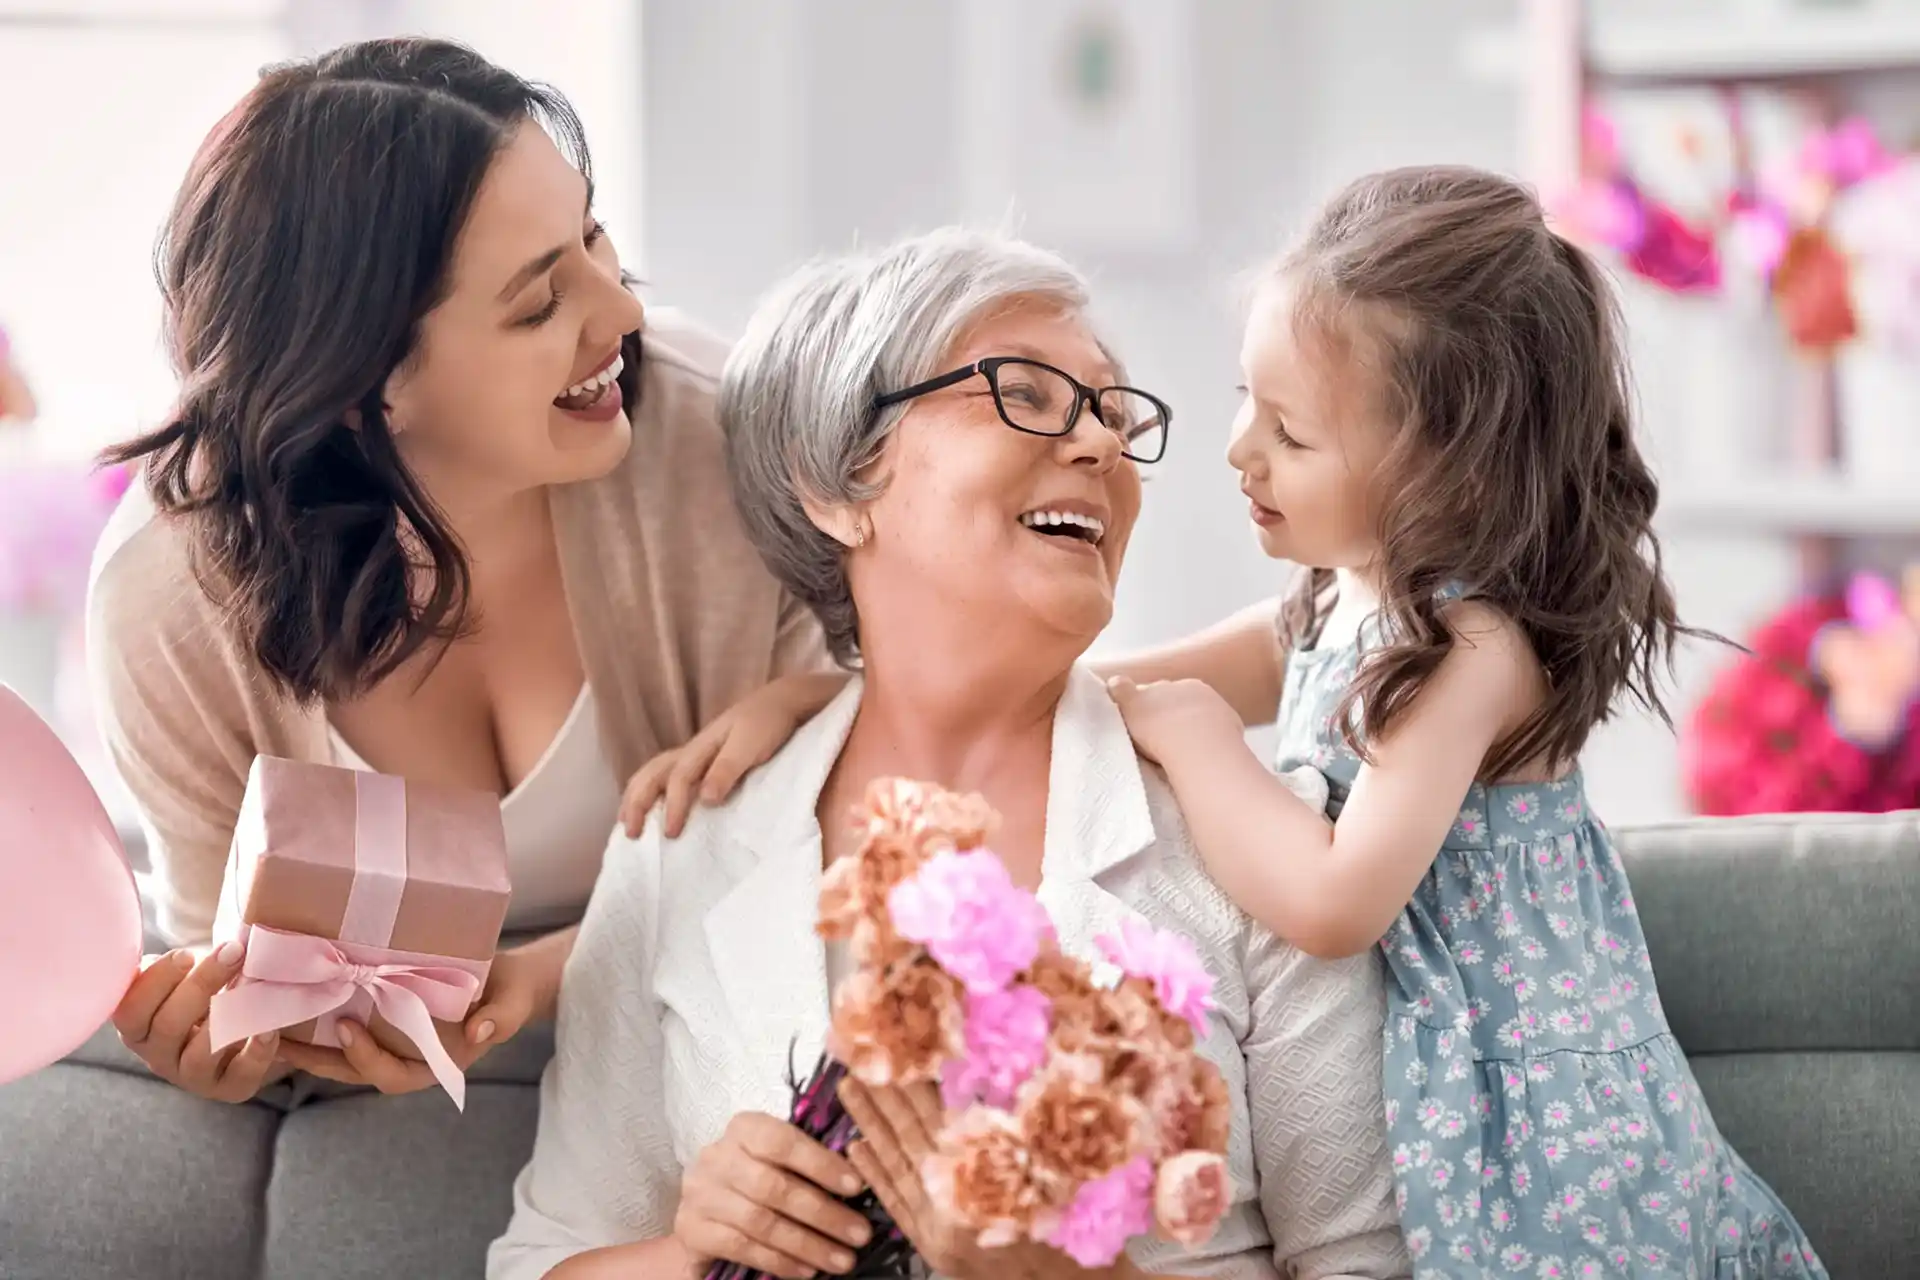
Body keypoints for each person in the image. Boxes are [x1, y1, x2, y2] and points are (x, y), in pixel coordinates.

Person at [625, 170, 1833, 1278]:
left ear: (1447, 470)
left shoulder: (1467, 651)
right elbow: (1094, 688)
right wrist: (834, 694)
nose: (1233, 451)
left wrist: (1206, 745)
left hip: (1534, 1117)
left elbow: (1336, 899)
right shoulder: (1327, 610)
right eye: (1248, 402)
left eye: (1293, 434)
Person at [0, 36, 828, 1279]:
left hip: (711, 1043)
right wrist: (240, 1036)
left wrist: (546, 973)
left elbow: (857, 844)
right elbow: (231, 964)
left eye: (594, 240)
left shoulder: (717, 446)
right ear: (359, 384)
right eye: (538, 302)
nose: (621, 313)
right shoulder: (168, 600)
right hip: (417, 1134)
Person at [489, 228, 1409, 1280]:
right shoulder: (682, 846)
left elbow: (1368, 1264)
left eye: (1112, 412)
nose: (1100, 444)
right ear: (834, 487)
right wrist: (693, 1251)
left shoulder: (1257, 846)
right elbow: (541, 1262)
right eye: (1024, 393)